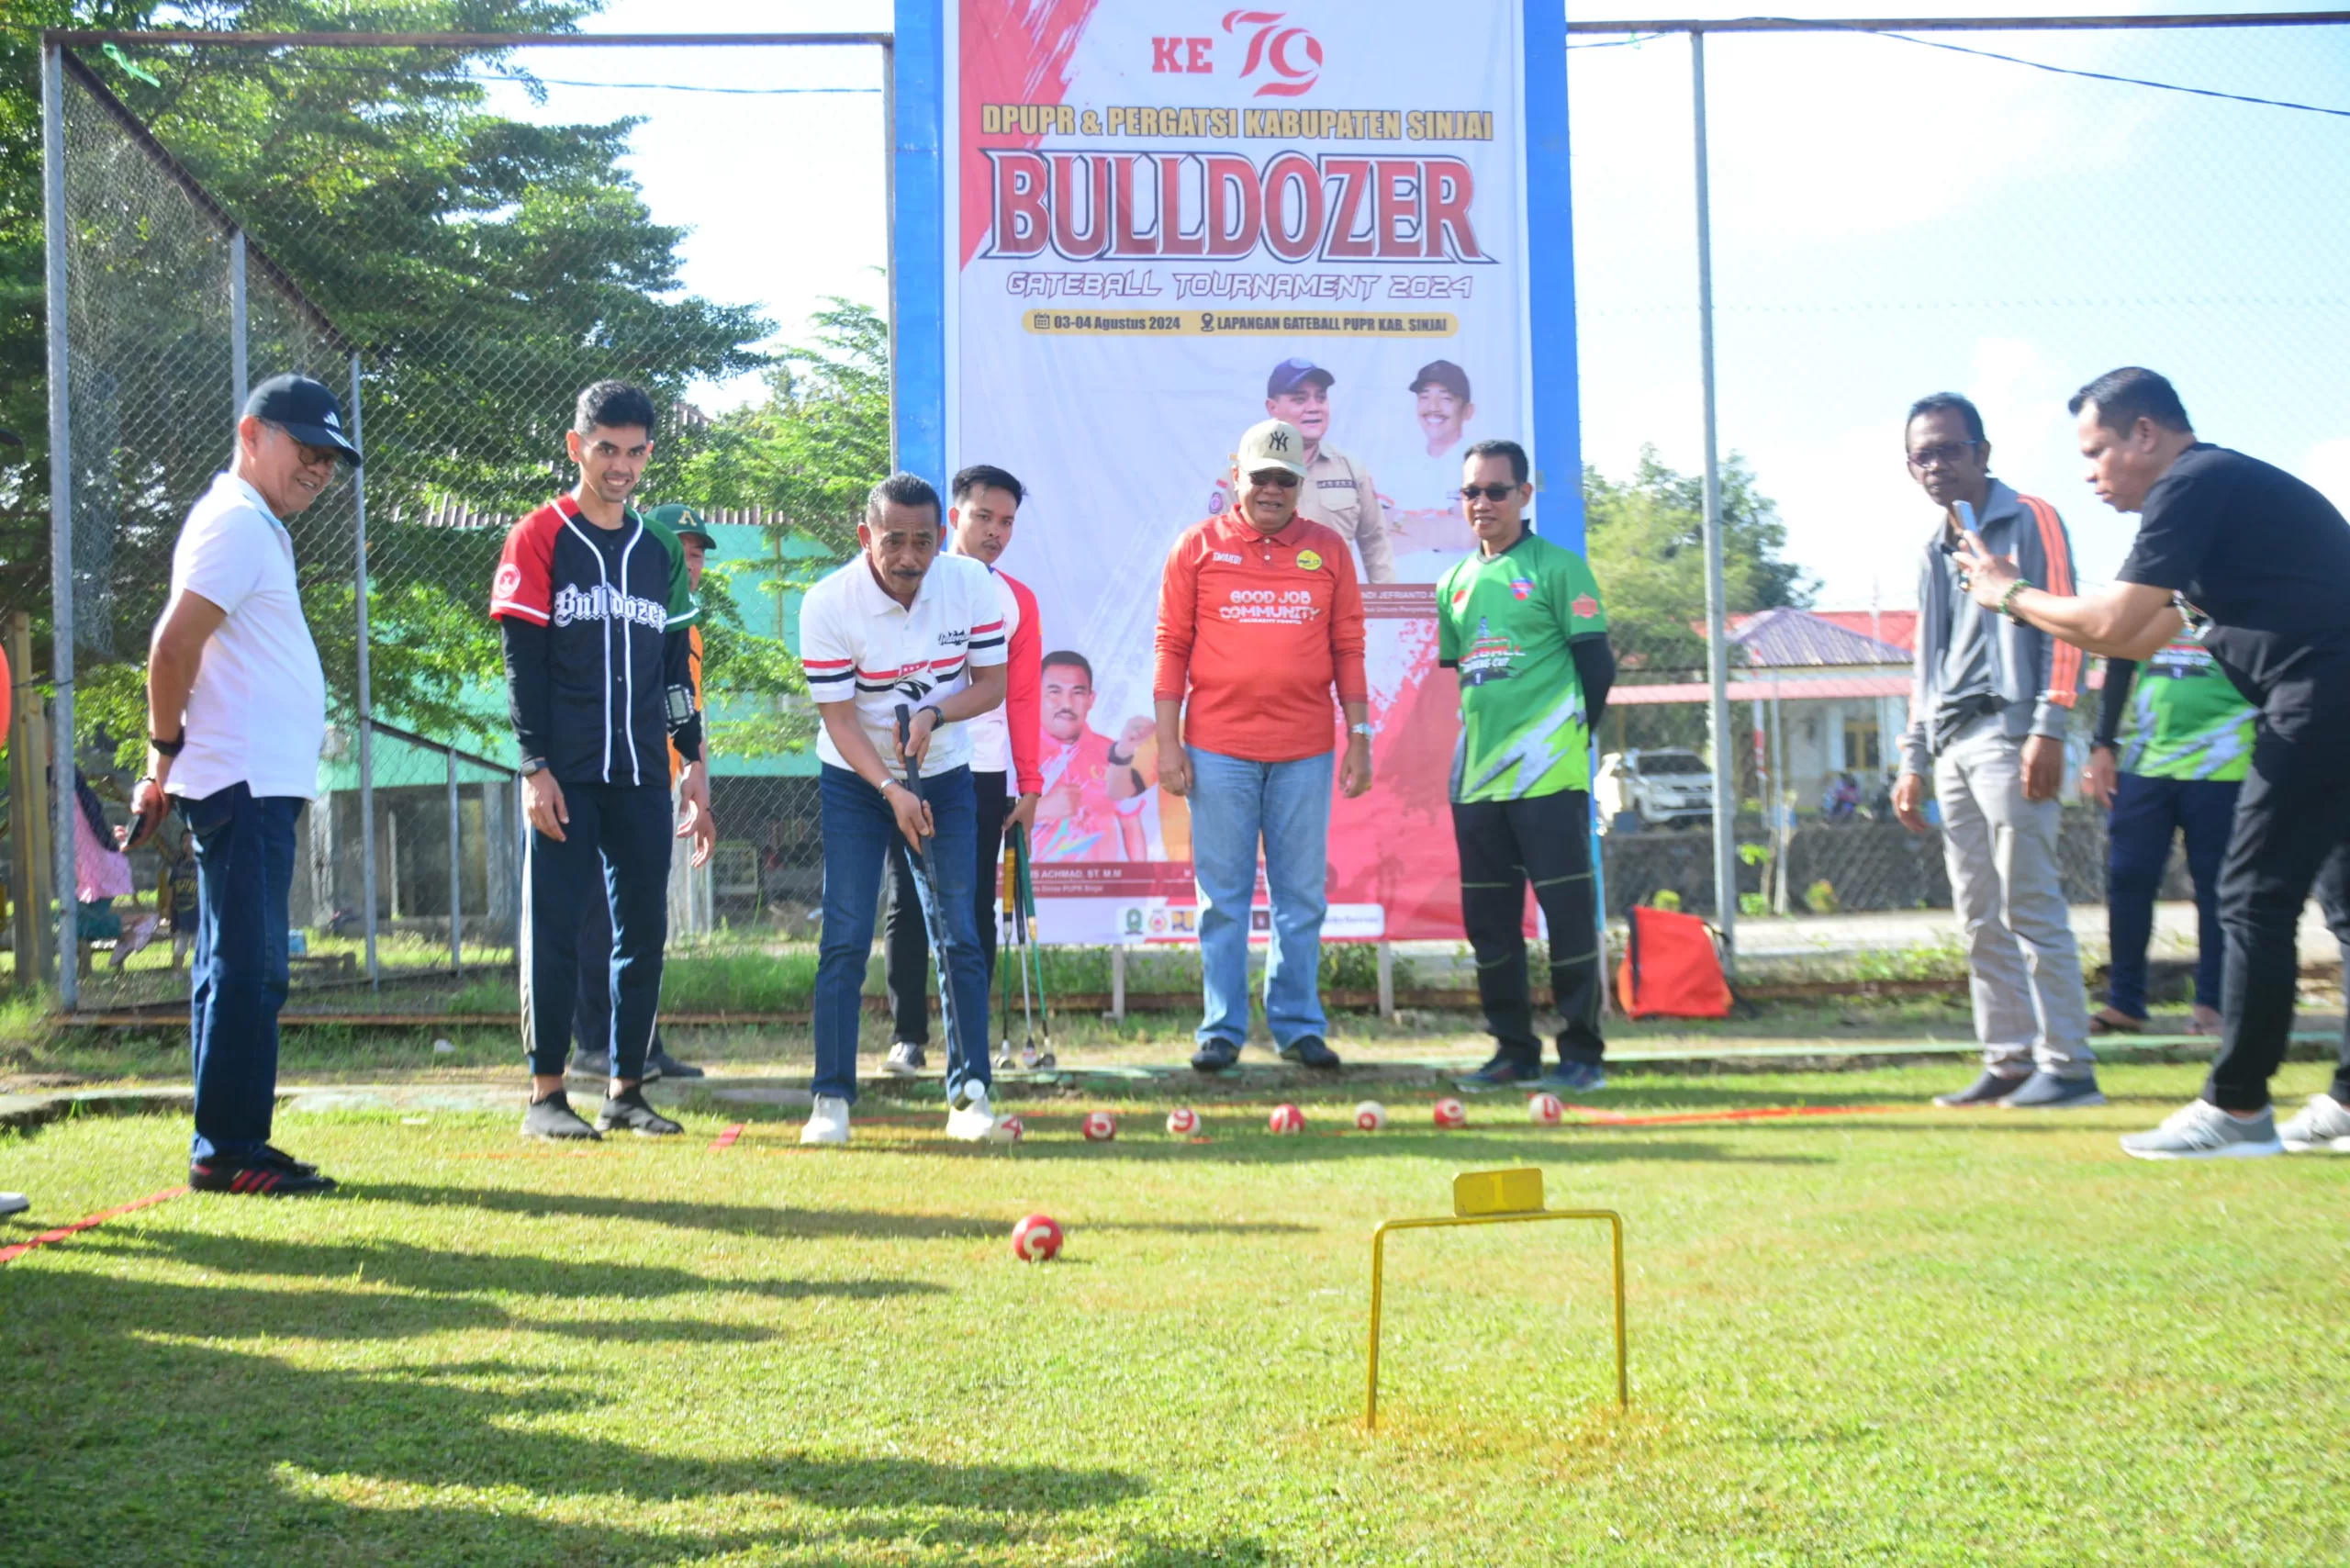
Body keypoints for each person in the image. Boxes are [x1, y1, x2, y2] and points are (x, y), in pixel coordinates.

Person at [1954, 367, 2350, 1159]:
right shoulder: (2221, 499)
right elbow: (2137, 638)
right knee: (2341, 904)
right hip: (2331, 688)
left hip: (2321, 687)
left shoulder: (2195, 481)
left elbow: (2111, 621)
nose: (2089, 472)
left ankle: (2235, 1107)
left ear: (2146, 434)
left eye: (2097, 450)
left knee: (2250, 895)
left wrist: (2007, 592)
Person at [117, 373, 360, 1196]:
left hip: (250, 783)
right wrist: (160, 757)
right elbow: (171, 648)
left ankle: (230, 1141)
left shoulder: (252, 523)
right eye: (306, 447)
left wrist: (161, 773)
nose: (320, 468)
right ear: (252, 434)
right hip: (244, 785)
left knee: (234, 964)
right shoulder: (236, 522)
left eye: (330, 456)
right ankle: (227, 1150)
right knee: (251, 967)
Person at [491, 380, 716, 1142]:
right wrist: (534, 767)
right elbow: (521, 663)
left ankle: (626, 1091)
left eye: (633, 452)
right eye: (605, 449)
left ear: (649, 454)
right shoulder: (539, 535)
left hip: (642, 778)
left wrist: (692, 765)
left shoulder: (658, 551)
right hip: (567, 775)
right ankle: (547, 1096)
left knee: (642, 933)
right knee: (554, 929)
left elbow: (676, 675)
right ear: (576, 446)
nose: (619, 466)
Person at [1891, 391, 2100, 1111]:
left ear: (1982, 453)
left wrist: (2051, 725)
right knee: (1978, 912)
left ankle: (2069, 1065)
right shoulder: (1932, 547)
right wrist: (1914, 754)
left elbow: (2068, 624)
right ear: (1910, 467)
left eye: (1951, 449)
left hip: (2013, 735)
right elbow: (1927, 658)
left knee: (2030, 900)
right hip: (1951, 740)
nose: (1938, 464)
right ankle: (2008, 1058)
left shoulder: (2031, 516)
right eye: (1924, 454)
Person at [1155, 418, 1371, 1072]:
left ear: (1300, 484)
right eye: (1262, 478)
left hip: (1306, 749)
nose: (1273, 490)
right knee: (1222, 898)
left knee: (1300, 896)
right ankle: (1221, 1029)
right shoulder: (1196, 547)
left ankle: (1299, 1025)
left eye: (1286, 480)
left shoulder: (1330, 550)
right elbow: (1171, 648)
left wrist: (1359, 737)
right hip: (1218, 748)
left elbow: (1349, 650)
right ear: (1236, 477)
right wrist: (1169, 744)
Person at [799, 473, 1010, 1144]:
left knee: (959, 934)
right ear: (867, 537)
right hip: (856, 778)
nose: (910, 555)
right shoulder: (828, 603)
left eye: (924, 540)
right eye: (895, 541)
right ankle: (830, 1100)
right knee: (845, 935)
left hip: (945, 772)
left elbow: (993, 685)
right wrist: (891, 791)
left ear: (942, 536)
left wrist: (935, 713)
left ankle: (971, 1096)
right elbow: (839, 719)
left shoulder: (973, 585)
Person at [1438, 439, 1616, 1095]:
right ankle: (1513, 1051)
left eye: (1496, 491)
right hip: (1478, 782)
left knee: (1567, 918)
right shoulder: (1453, 584)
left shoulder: (1559, 569)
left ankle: (1582, 1053)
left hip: (1550, 778)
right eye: (1471, 492)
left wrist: (1568, 741)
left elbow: (1597, 668)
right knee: (1490, 924)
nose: (1482, 503)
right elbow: (1470, 682)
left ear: (1524, 496)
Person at [883, 465, 1045, 1076]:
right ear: (954, 518)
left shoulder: (1017, 600)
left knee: (974, 904)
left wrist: (1029, 783)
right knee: (909, 896)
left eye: (1007, 522)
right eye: (983, 517)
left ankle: (967, 1043)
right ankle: (908, 1036)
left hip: (982, 770)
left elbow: (1022, 696)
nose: (995, 532)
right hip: (917, 764)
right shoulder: (910, 581)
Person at [565, 501, 718, 1084]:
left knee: (642, 922)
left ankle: (643, 1045)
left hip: (658, 777)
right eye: (680, 548)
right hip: (606, 776)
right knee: (598, 918)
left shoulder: (687, 625)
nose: (691, 560)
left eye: (699, 552)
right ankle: (589, 1044)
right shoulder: (623, 612)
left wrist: (693, 779)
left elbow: (687, 709)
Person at [2083, 634, 2255, 1038]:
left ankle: (2212, 1004)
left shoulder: (2247, 586)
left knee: (2217, 889)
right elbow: (2120, 662)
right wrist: (2102, 743)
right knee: (2128, 879)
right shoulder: (2151, 593)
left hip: (2228, 762)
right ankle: (2125, 1002)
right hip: (2146, 762)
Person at [1255, 357, 1398, 584]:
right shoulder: (1248, 473)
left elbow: (1375, 542)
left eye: (1321, 397)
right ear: (1272, 408)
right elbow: (1223, 548)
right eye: (1300, 399)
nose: (1314, 407)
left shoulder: (1351, 468)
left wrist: (1388, 610)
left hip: (1335, 611)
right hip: (1270, 612)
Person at [1033, 651, 1148, 863]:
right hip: (1030, 888)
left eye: (1077, 692)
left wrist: (1142, 889)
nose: (1066, 703)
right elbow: (983, 825)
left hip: (1098, 888)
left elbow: (1130, 825)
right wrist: (1038, 810)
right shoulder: (1012, 752)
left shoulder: (1114, 756)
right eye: (1054, 692)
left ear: (1091, 699)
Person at [1389, 361, 1481, 561]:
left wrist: (1399, 520)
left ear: (1468, 411)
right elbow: (1378, 542)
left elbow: (1467, 537)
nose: (1433, 407)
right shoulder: (1399, 468)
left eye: (1446, 398)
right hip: (1405, 590)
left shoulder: (1481, 465)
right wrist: (1443, 530)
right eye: (1424, 397)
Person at [158, 829, 200, 973]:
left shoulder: (201, 866)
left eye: (191, 840)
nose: (188, 845)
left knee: (198, 946)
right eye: (185, 841)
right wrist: (168, 908)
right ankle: (178, 973)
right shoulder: (178, 866)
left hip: (197, 914)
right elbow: (171, 888)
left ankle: (200, 971)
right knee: (180, 946)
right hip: (180, 914)